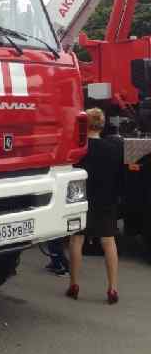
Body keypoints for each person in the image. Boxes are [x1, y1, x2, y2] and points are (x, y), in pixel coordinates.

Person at [66, 108, 123, 304]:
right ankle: (112, 288)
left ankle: (74, 285)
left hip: (81, 199)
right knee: (109, 242)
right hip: (106, 200)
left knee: (76, 240)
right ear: (102, 125)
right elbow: (119, 176)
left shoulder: (79, 148)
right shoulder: (113, 148)